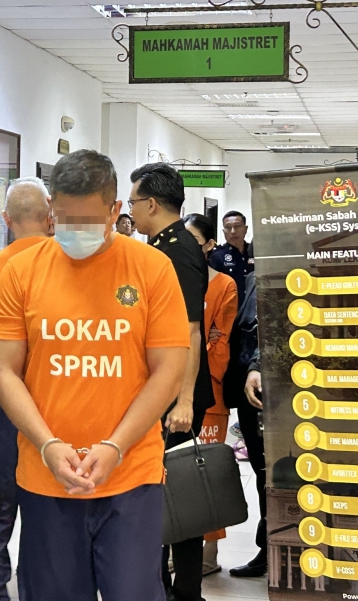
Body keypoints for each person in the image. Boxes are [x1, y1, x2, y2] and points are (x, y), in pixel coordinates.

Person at [0, 149, 189, 601]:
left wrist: (116, 445)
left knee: (134, 593)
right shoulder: (20, 271)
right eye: (64, 218)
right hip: (46, 474)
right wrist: (48, 444)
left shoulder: (152, 269)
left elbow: (168, 371)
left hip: (130, 474)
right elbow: (3, 371)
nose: (74, 231)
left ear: (116, 211)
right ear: (51, 210)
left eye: (89, 219)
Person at [128, 164, 214, 601]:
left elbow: (191, 329)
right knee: (165, 489)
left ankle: (185, 591)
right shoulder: (160, 245)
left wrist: (183, 400)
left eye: (132, 202)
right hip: (163, 387)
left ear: (152, 204)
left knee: (177, 490)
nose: (130, 210)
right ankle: (163, 584)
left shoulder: (176, 250)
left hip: (177, 394)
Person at [0, 177, 53, 601]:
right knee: (47, 508)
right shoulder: (64, 263)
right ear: (51, 217)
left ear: (6, 219)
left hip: (0, 404)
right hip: (52, 400)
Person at [183, 213, 238, 576]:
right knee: (178, 472)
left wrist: (202, 379)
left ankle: (210, 549)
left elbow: (220, 338)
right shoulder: (171, 278)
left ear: (208, 245)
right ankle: (179, 542)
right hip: (171, 392)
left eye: (193, 240)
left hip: (210, 393)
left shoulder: (224, 285)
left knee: (207, 471)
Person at [223, 271, 265, 578]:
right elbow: (249, 329)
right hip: (254, 392)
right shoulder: (253, 278)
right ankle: (270, 548)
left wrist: (257, 364)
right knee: (264, 474)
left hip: (278, 387)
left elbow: (270, 325)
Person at [209, 211, 254, 294]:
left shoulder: (254, 251)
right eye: (228, 227)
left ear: (246, 229)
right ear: (223, 231)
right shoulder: (216, 255)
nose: (233, 231)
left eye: (237, 226)